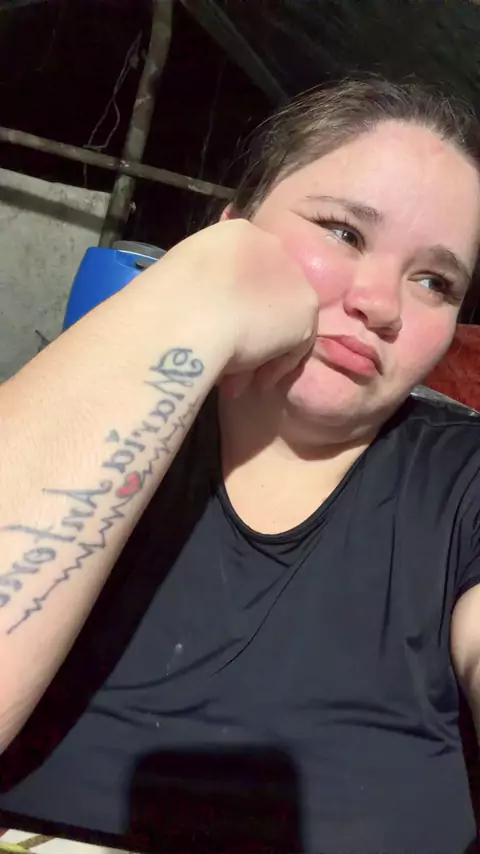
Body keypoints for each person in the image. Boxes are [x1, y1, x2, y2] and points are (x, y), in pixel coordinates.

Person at [0, 77, 480, 854]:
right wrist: (197, 289)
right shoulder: (90, 421)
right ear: (233, 231)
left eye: (435, 281)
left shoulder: (460, 481)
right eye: (344, 231)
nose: (383, 304)